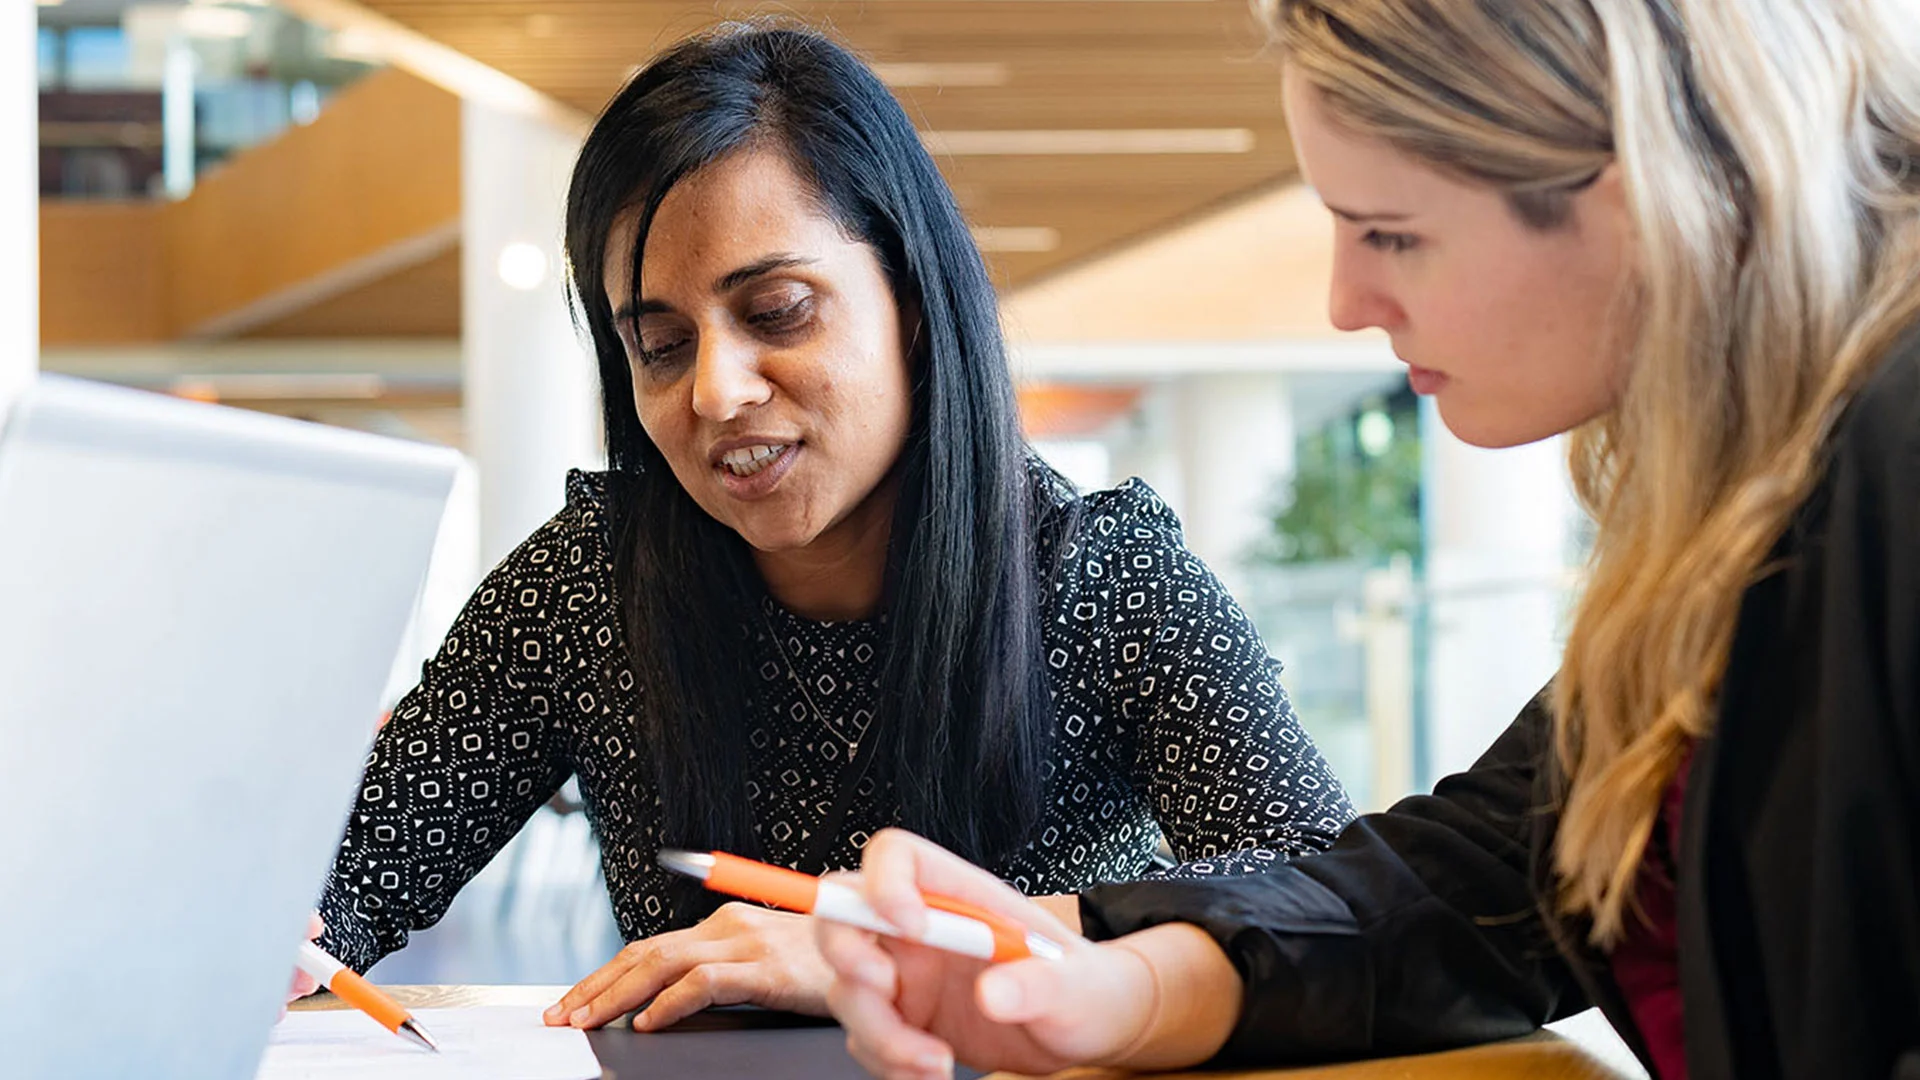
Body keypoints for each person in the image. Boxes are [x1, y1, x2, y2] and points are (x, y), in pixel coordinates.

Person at [815, 0, 1920, 1077]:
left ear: (1644, 201)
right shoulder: (1746, 507)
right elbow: (1475, 888)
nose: (1348, 301)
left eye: (1393, 232)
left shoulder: (1892, 453)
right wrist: (1113, 991)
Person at [299, 23, 1357, 1034]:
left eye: (776, 312)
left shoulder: (1095, 576)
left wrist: (906, 947)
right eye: (661, 344)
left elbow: (1317, 898)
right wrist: (279, 925)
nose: (716, 391)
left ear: (912, 300)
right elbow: (337, 884)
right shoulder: (590, 588)